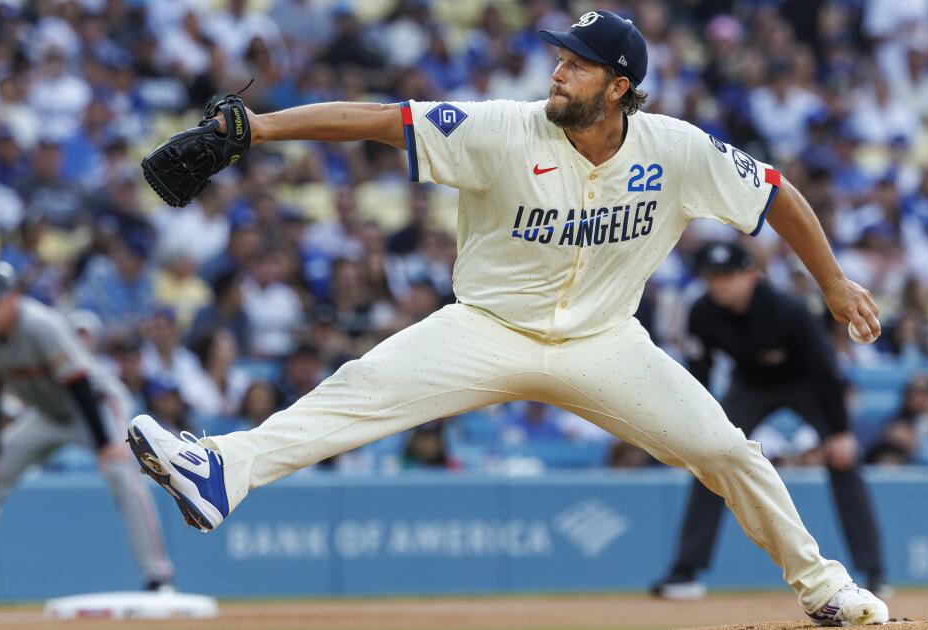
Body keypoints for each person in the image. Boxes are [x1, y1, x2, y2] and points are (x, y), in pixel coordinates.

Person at [128, 10, 888, 625]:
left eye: (578, 65)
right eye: (560, 59)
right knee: (357, 389)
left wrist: (832, 282)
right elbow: (380, 120)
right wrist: (261, 128)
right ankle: (221, 471)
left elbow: (775, 192)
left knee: (726, 450)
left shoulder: (677, 149)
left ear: (619, 86)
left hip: (604, 342)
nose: (558, 72)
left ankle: (824, 588)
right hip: (486, 328)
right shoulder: (501, 128)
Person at [649, 241, 888, 600]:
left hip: (806, 383)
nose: (719, 284)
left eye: (727, 275)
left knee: (844, 460)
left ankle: (874, 572)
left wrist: (839, 431)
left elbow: (826, 370)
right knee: (710, 455)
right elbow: (700, 372)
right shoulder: (702, 312)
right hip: (750, 385)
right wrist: (697, 428)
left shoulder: (786, 309)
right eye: (712, 276)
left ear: (750, 275)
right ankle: (685, 572)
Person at [0, 262, 173, 607]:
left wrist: (105, 444)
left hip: (96, 405)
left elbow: (79, 382)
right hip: (46, 413)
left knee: (122, 472)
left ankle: (158, 576)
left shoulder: (39, 323)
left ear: (13, 299)